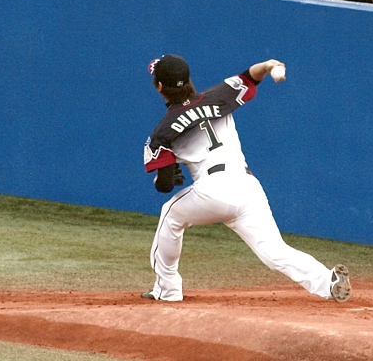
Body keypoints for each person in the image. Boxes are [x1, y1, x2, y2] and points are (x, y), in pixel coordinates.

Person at [142, 54, 352, 304]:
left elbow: (165, 185)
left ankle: (167, 290)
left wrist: (163, 179)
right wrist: (270, 65)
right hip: (246, 185)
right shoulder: (219, 95)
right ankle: (327, 282)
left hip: (212, 190)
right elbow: (252, 75)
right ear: (188, 80)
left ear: (160, 87)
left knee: (170, 214)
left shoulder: (162, 131)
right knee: (274, 250)